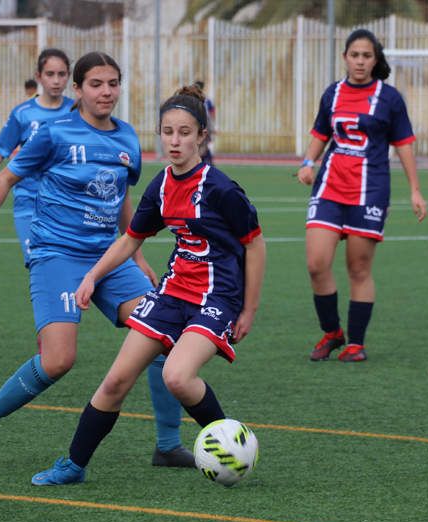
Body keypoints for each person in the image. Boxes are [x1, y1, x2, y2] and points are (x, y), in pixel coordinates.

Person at [0, 51, 195, 469]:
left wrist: (138, 254)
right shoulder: (53, 133)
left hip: (108, 258)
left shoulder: (127, 138)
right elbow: (4, 177)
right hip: (57, 255)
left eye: (113, 83)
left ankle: (167, 445)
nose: (106, 92)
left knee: (164, 333)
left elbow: (121, 199)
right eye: (96, 84)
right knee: (59, 359)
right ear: (78, 90)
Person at [30, 85, 266, 486]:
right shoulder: (160, 187)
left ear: (202, 137)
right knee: (116, 380)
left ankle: (231, 446)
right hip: (172, 293)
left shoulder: (222, 188)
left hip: (217, 297)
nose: (175, 141)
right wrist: (92, 276)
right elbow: (130, 239)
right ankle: (73, 465)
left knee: (176, 376)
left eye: (185, 133)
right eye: (168, 132)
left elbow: (255, 245)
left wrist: (248, 310)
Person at [296, 29, 427, 363]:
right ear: (345, 57)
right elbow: (320, 133)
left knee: (358, 268)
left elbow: (404, 145)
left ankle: (356, 343)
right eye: (354, 55)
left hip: (370, 191)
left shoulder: (389, 98)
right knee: (316, 263)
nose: (360, 61)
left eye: (367, 56)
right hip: (329, 187)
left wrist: (415, 190)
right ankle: (332, 332)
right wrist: (308, 163)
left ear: (375, 60)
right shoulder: (333, 94)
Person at [0, 49, 74, 265]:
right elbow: (2, 146)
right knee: (38, 263)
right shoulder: (23, 113)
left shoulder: (75, 111)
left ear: (68, 76)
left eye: (61, 74)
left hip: (65, 201)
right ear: (38, 76)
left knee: (68, 264)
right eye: (50, 74)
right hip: (29, 200)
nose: (56, 80)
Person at [192, 80, 215, 165]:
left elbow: (212, 113)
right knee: (200, 146)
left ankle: (207, 163)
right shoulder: (194, 99)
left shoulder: (206, 100)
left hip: (204, 124)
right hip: (197, 124)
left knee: (203, 145)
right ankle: (205, 163)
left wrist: (212, 127)